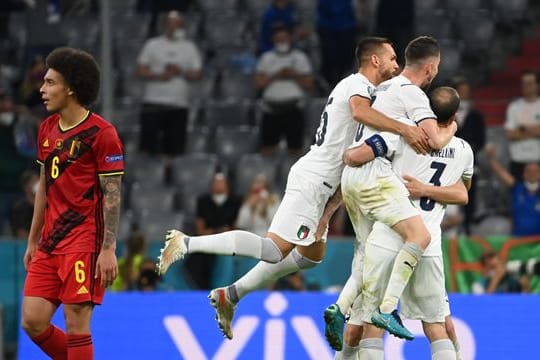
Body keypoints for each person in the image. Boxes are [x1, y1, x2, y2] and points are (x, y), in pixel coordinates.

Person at [157, 36, 430, 340]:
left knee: (311, 255)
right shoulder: (356, 85)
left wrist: (327, 214)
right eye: (392, 58)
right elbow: (358, 112)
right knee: (274, 250)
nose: (396, 65)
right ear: (375, 60)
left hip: (326, 187)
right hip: (313, 179)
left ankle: (231, 295)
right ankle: (186, 243)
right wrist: (406, 128)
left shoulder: (373, 97)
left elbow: (349, 165)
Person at [324, 36, 457, 346]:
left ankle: (341, 307)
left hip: (351, 180)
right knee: (419, 236)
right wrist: (451, 127)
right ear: (432, 68)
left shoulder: (377, 87)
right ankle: (387, 310)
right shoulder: (411, 93)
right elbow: (435, 140)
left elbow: (353, 147)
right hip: (375, 176)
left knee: (366, 258)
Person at [337, 86, 471, 360]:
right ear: (455, 114)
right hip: (428, 243)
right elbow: (462, 192)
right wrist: (432, 190)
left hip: (389, 234)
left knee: (372, 327)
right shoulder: (463, 150)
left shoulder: (403, 136)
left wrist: (420, 188)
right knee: (436, 327)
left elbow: (353, 157)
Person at [20, 47, 124, 360]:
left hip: (84, 241)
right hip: (50, 243)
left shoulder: (103, 134)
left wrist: (108, 248)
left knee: (76, 323)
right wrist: (33, 239)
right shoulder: (47, 129)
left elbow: (113, 195)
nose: (42, 89)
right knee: (33, 320)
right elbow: (44, 189)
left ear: (71, 88)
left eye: (50, 83)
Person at [136, 10, 202, 157]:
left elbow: (197, 73)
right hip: (153, 102)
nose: (173, 27)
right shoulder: (152, 45)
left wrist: (181, 72)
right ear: (165, 25)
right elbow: (141, 70)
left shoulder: (189, 47)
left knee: (175, 148)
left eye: (177, 24)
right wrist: (159, 76)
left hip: (178, 104)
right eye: (170, 24)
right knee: (148, 147)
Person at [255, 24, 314, 156]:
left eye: (284, 39)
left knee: (295, 151)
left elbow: (309, 83)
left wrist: (294, 75)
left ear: (290, 38)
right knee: (267, 150)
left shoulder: (300, 58)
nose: (282, 42)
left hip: (293, 110)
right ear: (273, 40)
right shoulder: (266, 58)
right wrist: (276, 75)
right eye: (278, 39)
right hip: (270, 111)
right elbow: (259, 83)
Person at [182, 172, 242, 289]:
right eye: (216, 183)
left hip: (228, 240)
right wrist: (213, 232)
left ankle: (223, 290)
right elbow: (200, 228)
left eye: (221, 183)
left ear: (227, 185)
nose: (218, 185)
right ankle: (202, 290)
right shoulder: (203, 201)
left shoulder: (235, 201)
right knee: (195, 261)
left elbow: (238, 225)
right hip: (207, 238)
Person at [451, 75, 486, 234]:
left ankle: (468, 230)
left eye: (466, 91)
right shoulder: (446, 112)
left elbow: (481, 140)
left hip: (469, 162)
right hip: (449, 161)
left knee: (468, 197)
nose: (464, 94)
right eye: (461, 91)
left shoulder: (476, 116)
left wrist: (467, 150)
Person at [485, 143, 540, 236]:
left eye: (535, 172)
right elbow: (501, 173)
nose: (531, 174)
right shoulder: (517, 188)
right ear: (524, 174)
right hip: (517, 240)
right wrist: (491, 159)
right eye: (528, 171)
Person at [504, 70, 540, 180]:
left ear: (537, 85)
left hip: (538, 159)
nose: (526, 87)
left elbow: (516, 132)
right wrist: (536, 130)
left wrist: (522, 128)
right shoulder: (514, 107)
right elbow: (510, 134)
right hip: (518, 161)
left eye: (529, 83)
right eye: (524, 84)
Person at [316, 0, 358, 88]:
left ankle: (344, 83)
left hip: (347, 28)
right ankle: (329, 83)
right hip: (327, 28)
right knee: (329, 57)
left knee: (346, 59)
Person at [10, 170, 39, 238]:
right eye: (34, 181)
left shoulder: (46, 206)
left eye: (39, 180)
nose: (38, 184)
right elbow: (21, 234)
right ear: (25, 187)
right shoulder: (19, 208)